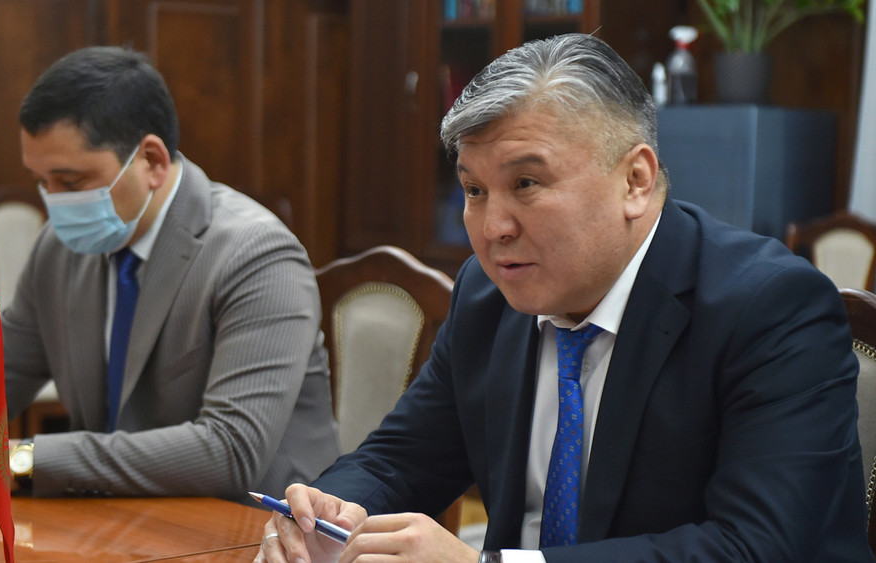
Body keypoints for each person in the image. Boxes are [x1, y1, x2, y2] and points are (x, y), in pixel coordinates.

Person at [256, 33, 873, 562]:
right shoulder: (488, 293)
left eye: (526, 182)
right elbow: (401, 459)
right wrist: (328, 514)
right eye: (473, 191)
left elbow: (753, 548)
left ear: (635, 180)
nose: (493, 227)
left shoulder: (771, 307)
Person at [0, 46, 340, 500]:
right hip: (117, 514)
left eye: (71, 182)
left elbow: (229, 449)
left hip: (255, 523)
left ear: (151, 160)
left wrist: (24, 460)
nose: (54, 201)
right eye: (42, 182)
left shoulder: (257, 254)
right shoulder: (59, 248)